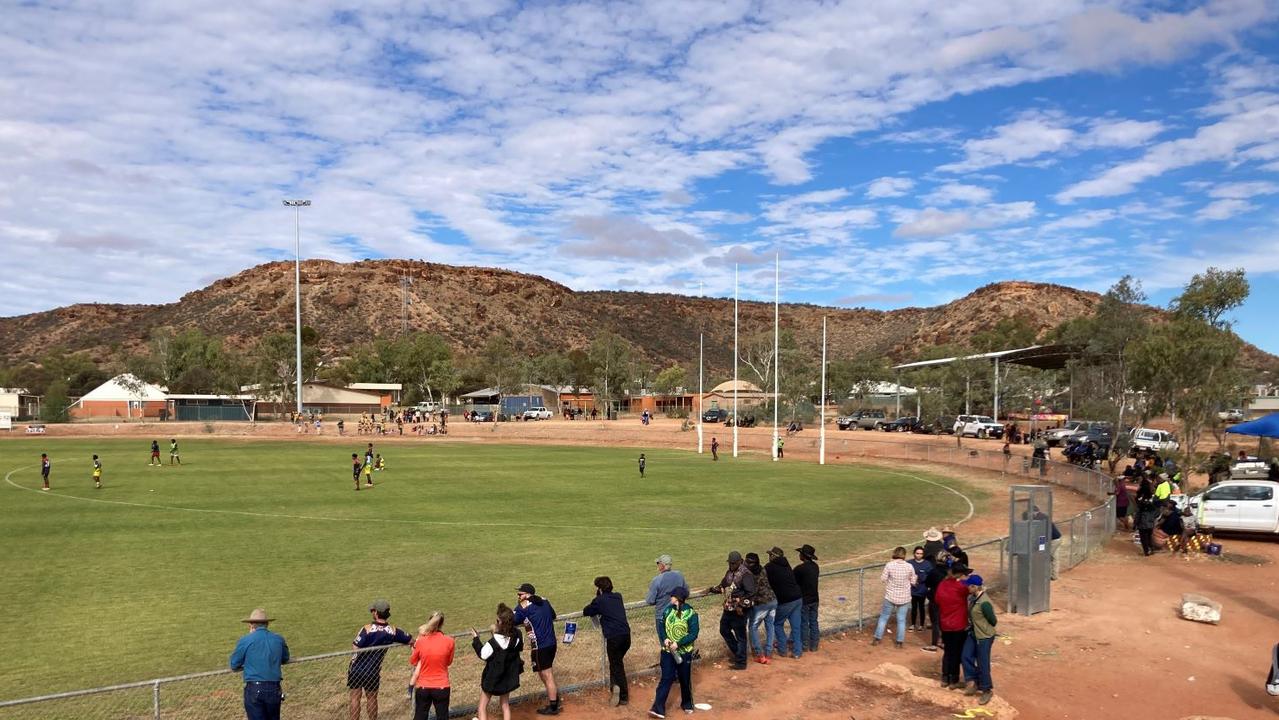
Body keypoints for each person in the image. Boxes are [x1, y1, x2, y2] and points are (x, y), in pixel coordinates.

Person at [348, 599, 412, 720]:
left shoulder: (366, 629)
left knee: (355, 697)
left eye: (373, 610)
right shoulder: (393, 631)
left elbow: (355, 647)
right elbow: (410, 640)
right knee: (372, 698)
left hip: (356, 669)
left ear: (376, 613)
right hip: (373, 671)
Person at [229, 608, 290, 720]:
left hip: (254, 689)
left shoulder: (246, 640)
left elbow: (234, 664)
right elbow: (285, 658)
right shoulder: (278, 639)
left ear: (252, 625)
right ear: (267, 624)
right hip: (274, 688)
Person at [649, 586, 699, 719]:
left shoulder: (691, 613)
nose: (670, 597)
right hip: (667, 652)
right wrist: (664, 638)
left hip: (684, 652)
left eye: (672, 596)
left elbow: (693, 633)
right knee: (666, 678)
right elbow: (661, 625)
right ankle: (658, 708)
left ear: (677, 598)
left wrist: (679, 643)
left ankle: (687, 704)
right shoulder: (668, 610)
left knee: (684, 679)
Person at [583, 576, 631, 707]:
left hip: (614, 638)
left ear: (599, 589)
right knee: (616, 663)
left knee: (617, 665)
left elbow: (586, 611)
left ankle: (623, 696)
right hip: (626, 636)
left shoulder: (599, 600)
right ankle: (614, 686)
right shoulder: (618, 596)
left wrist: (597, 597)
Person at [513, 583, 560, 715]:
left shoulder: (523, 606)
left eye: (520, 594)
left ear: (527, 594)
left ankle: (553, 706)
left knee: (547, 675)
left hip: (540, 646)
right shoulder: (544, 600)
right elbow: (553, 615)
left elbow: (512, 620)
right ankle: (554, 699)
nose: (518, 596)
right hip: (551, 643)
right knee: (544, 673)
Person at [471, 604, 523, 720]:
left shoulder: (494, 642)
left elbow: (483, 654)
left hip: (493, 679)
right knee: (505, 705)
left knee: (482, 706)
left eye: (497, 620)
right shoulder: (518, 635)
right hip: (508, 677)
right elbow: (517, 647)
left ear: (500, 622)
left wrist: (476, 639)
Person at [707, 550, 755, 670]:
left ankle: (741, 662)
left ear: (740, 561)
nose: (731, 565)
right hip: (728, 607)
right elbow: (723, 585)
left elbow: (751, 593)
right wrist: (713, 589)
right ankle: (738, 654)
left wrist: (741, 606)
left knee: (740, 636)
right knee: (724, 630)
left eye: (734, 563)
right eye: (730, 563)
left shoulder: (746, 574)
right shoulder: (729, 572)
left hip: (739, 610)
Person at [409, 612, 455, 720]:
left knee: (420, 716)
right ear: (442, 624)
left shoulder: (421, 641)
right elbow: (449, 662)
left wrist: (415, 649)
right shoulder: (450, 641)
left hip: (423, 686)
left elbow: (413, 661)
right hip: (442, 685)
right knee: (443, 716)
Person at [961, 574, 997, 705]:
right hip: (973, 633)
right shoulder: (972, 598)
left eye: (969, 586)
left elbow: (993, 621)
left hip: (984, 636)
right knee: (965, 656)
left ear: (975, 587)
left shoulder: (984, 602)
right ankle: (974, 681)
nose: (967, 588)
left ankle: (986, 689)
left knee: (983, 663)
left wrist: (981, 626)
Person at [935, 563, 971, 687]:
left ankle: (945, 677)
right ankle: (953, 678)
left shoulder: (942, 584)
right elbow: (971, 590)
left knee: (948, 651)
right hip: (959, 625)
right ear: (960, 574)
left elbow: (937, 600)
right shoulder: (961, 587)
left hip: (945, 623)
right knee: (957, 652)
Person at [872, 547, 915, 648]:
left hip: (890, 596)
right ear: (904, 555)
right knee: (901, 620)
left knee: (883, 617)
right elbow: (913, 582)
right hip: (904, 597)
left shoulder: (889, 565)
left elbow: (883, 579)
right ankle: (899, 642)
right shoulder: (909, 566)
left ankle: (877, 638)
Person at [765, 546, 804, 659]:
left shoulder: (769, 567)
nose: (769, 557)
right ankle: (797, 651)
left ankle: (782, 649)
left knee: (777, 624)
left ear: (773, 556)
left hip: (785, 600)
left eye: (770, 555)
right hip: (797, 598)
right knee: (796, 626)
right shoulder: (786, 564)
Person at [744, 552, 777, 664]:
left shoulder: (750, 574)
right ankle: (768, 653)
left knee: (752, 627)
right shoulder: (762, 569)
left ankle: (759, 654)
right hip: (773, 600)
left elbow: (752, 591)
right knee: (770, 627)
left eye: (747, 562)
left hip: (762, 604)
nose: (745, 563)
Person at [646, 554, 689, 638]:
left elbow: (650, 600)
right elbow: (686, 592)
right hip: (679, 613)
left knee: (666, 644)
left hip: (662, 616)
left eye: (658, 563)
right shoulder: (679, 575)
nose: (657, 565)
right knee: (679, 639)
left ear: (662, 565)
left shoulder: (657, 580)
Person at [793, 544, 820, 653]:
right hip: (815, 599)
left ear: (803, 556)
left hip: (804, 600)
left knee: (804, 623)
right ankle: (814, 645)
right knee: (813, 622)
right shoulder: (815, 567)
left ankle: (804, 645)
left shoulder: (800, 569)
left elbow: (794, 582)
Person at [922, 549, 950, 652]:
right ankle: (944, 642)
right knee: (944, 621)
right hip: (947, 600)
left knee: (935, 622)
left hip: (935, 599)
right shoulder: (950, 571)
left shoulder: (934, 571)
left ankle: (934, 644)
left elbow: (927, 583)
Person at [907, 546, 933, 632]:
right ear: (914, 553)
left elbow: (930, 576)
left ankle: (921, 625)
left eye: (921, 553)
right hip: (913, 589)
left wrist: (923, 580)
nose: (919, 555)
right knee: (913, 607)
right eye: (917, 553)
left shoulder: (927, 564)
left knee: (921, 607)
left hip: (922, 589)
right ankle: (913, 624)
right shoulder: (909, 563)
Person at [1134, 478, 1160, 556]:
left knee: (1143, 537)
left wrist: (1135, 523)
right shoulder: (1152, 501)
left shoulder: (1141, 502)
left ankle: (1146, 551)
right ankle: (1151, 549)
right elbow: (1157, 513)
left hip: (1143, 522)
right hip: (1150, 522)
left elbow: (1139, 513)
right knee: (1149, 536)